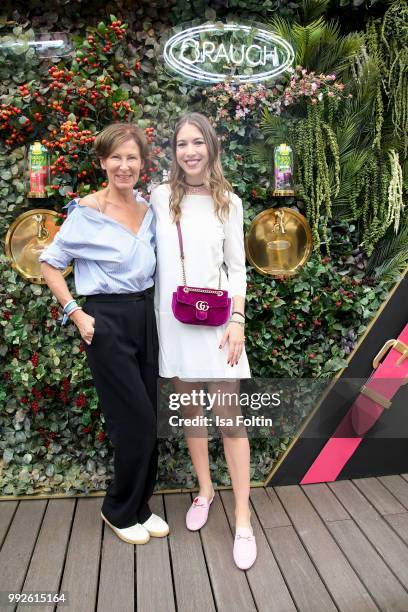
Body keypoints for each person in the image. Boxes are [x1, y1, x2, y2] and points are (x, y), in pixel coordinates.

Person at [39, 122, 168, 545]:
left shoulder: (149, 209)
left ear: (142, 163)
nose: (124, 165)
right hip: (106, 322)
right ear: (102, 162)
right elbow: (49, 263)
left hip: (144, 317)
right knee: (135, 423)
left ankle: (140, 504)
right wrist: (76, 313)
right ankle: (117, 508)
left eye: (132, 157)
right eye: (116, 157)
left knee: (151, 416)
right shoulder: (87, 212)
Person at [150, 112, 257, 570]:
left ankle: (243, 517)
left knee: (230, 420)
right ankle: (206, 491)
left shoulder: (227, 201)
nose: (189, 151)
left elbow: (238, 268)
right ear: (173, 152)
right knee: (191, 411)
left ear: (211, 147)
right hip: (173, 322)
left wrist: (237, 320)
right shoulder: (158, 197)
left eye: (198, 142)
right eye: (181, 144)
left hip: (218, 326)